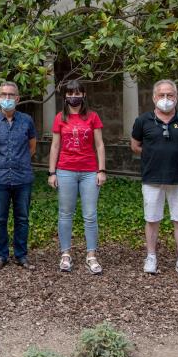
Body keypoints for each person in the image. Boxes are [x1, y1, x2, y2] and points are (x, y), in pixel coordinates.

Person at [131, 79, 178, 280]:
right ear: (154, 97)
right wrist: (154, 156)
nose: (166, 99)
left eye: (170, 95)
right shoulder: (142, 121)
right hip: (152, 177)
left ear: (176, 97)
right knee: (152, 218)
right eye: (162, 95)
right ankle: (151, 256)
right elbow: (135, 146)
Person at [47, 80, 106, 273]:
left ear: (84, 95)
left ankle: (91, 255)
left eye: (78, 93)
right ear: (65, 96)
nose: (74, 97)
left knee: (90, 215)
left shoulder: (92, 116)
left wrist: (101, 170)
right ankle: (65, 254)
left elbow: (99, 145)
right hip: (65, 170)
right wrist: (52, 172)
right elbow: (55, 146)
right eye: (71, 93)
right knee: (65, 213)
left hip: (89, 171)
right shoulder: (59, 118)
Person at [0, 81, 37, 270]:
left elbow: (32, 146)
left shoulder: (27, 121)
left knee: (22, 218)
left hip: (23, 178)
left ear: (17, 99)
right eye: (3, 94)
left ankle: (21, 255)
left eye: (11, 95)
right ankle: (1, 255)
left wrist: (19, 162)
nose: (7, 98)